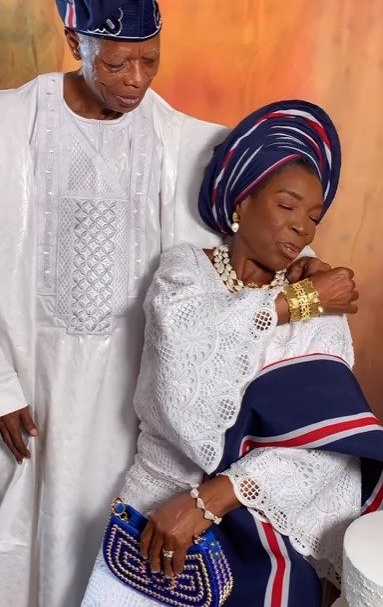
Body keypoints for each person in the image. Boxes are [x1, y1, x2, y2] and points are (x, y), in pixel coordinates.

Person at [0, 0, 232, 607]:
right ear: (77, 42)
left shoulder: (174, 140)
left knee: (117, 530)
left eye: (150, 60)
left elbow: (249, 210)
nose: (136, 80)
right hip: (36, 377)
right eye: (118, 63)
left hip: (133, 385)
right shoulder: (9, 127)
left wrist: (298, 269)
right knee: (31, 533)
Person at [82, 100, 383, 607]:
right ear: (242, 203)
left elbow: (325, 448)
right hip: (156, 502)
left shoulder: (321, 301)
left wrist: (211, 500)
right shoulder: (184, 273)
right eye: (287, 206)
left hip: (267, 528)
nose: (303, 228)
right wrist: (298, 301)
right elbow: (181, 381)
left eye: (313, 217)